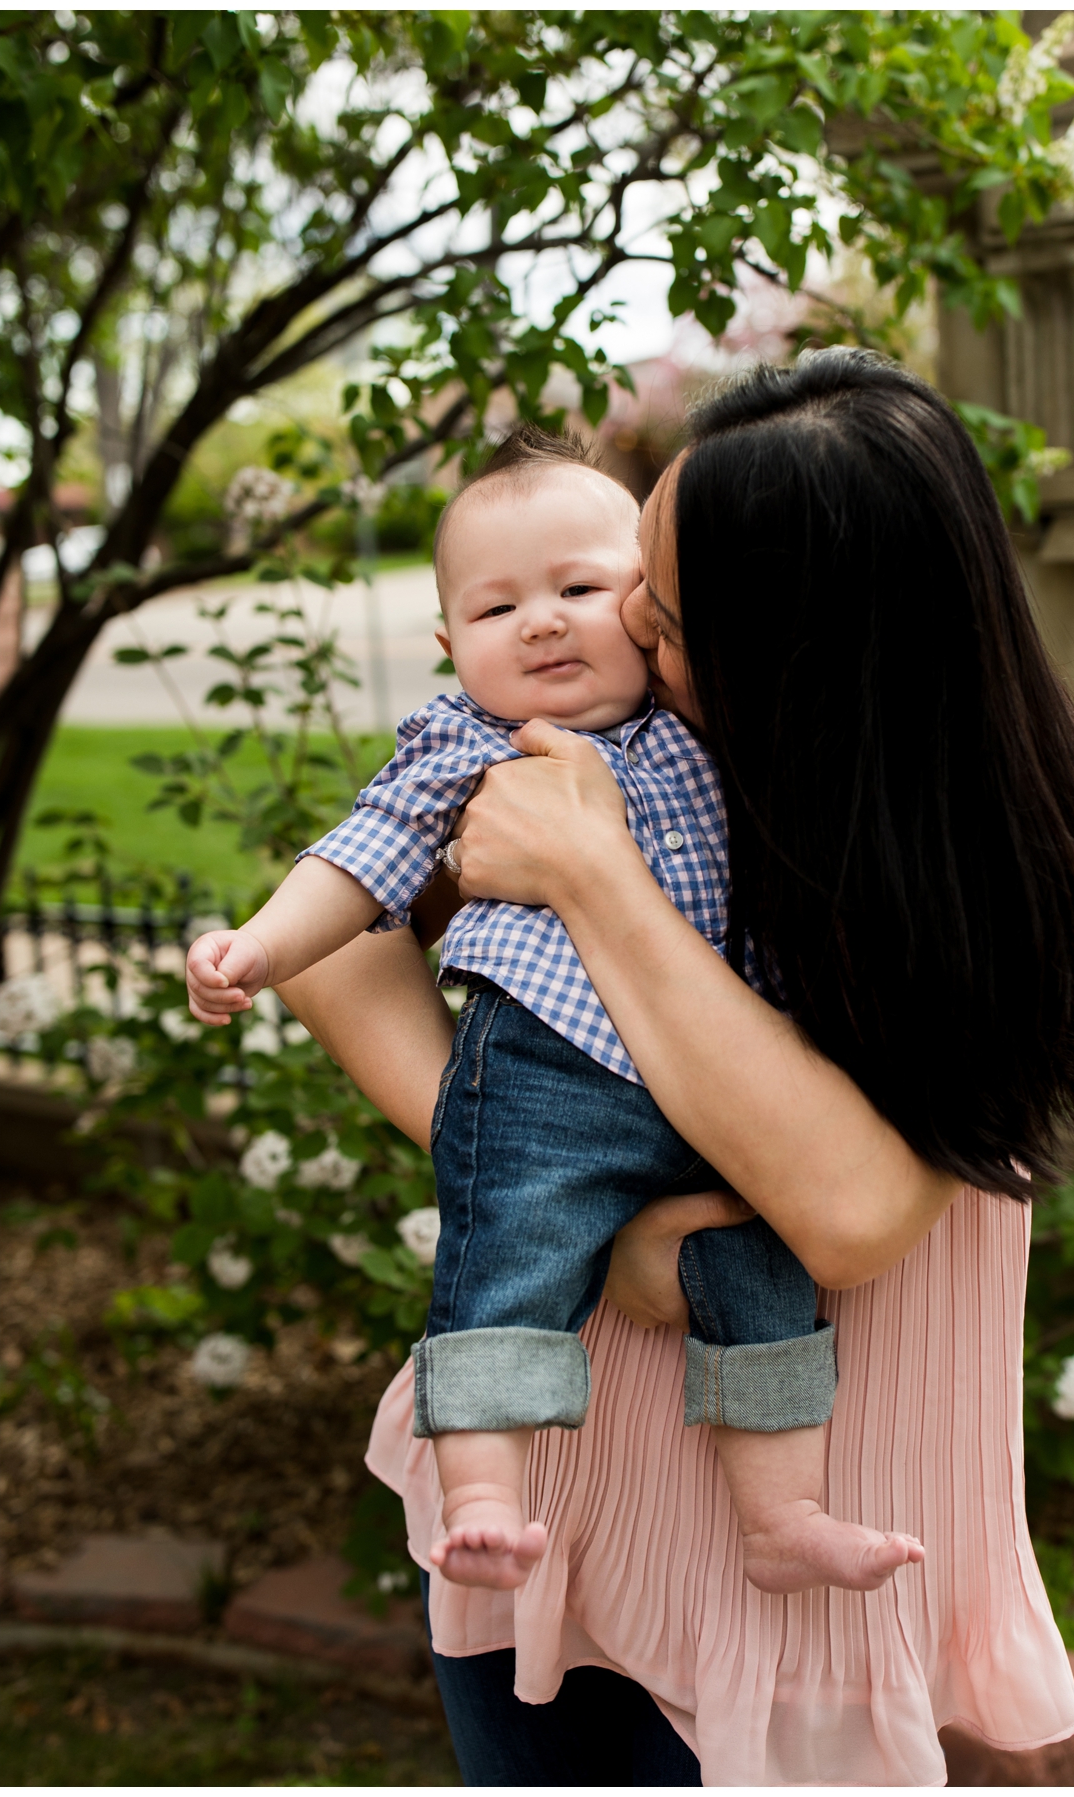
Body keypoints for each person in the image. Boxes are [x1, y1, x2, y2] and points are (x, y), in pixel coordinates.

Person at [277, 350, 1074, 1785]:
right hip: (561, 1509)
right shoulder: (604, 752)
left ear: (799, 659)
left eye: (663, 606)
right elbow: (331, 946)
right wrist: (553, 1183)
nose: (614, 616)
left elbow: (854, 1212)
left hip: (825, 1561)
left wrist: (597, 885)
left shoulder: (1017, 873)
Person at [186, 427, 912, 1596]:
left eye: (580, 587)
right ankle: (483, 1495)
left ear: (645, 610)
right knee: (504, 1264)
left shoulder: (713, 732)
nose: (540, 620)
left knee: (766, 1285)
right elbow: (361, 860)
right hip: (544, 1071)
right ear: (447, 646)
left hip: (728, 1083)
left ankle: (784, 1517)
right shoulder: (465, 743)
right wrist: (259, 946)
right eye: (497, 608)